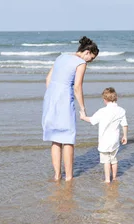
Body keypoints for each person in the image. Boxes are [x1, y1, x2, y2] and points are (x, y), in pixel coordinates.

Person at [42, 36, 99, 181]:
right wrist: (82, 108)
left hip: (50, 98)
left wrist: (53, 96)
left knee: (55, 139)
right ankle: (68, 177)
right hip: (64, 99)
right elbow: (77, 87)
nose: (89, 62)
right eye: (91, 59)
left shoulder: (61, 56)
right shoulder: (80, 63)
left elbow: (48, 79)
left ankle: (57, 175)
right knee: (68, 138)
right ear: (87, 52)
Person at [80, 87, 128, 183]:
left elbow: (92, 120)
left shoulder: (102, 111)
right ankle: (114, 177)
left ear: (104, 100)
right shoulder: (121, 110)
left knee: (106, 161)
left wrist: (83, 117)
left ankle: (107, 180)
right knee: (113, 159)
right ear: (116, 98)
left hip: (104, 141)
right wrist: (125, 136)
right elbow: (125, 125)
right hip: (114, 140)